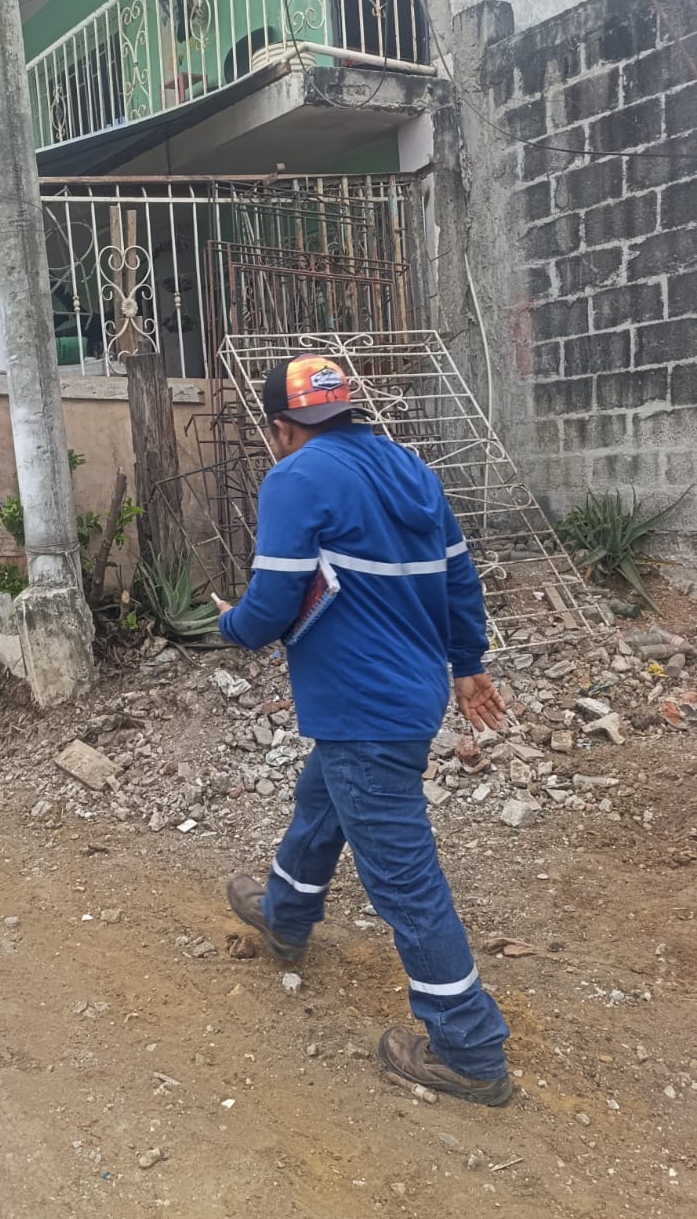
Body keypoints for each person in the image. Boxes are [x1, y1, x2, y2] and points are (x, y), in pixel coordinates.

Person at [216, 354, 513, 1107]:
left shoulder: (295, 477)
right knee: (323, 799)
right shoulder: (412, 470)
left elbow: (270, 605)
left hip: (361, 705)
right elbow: (458, 575)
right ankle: (285, 915)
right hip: (406, 698)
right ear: (345, 409)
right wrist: (469, 663)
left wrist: (228, 626)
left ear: (283, 428)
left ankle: (469, 1047)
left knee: (404, 881)